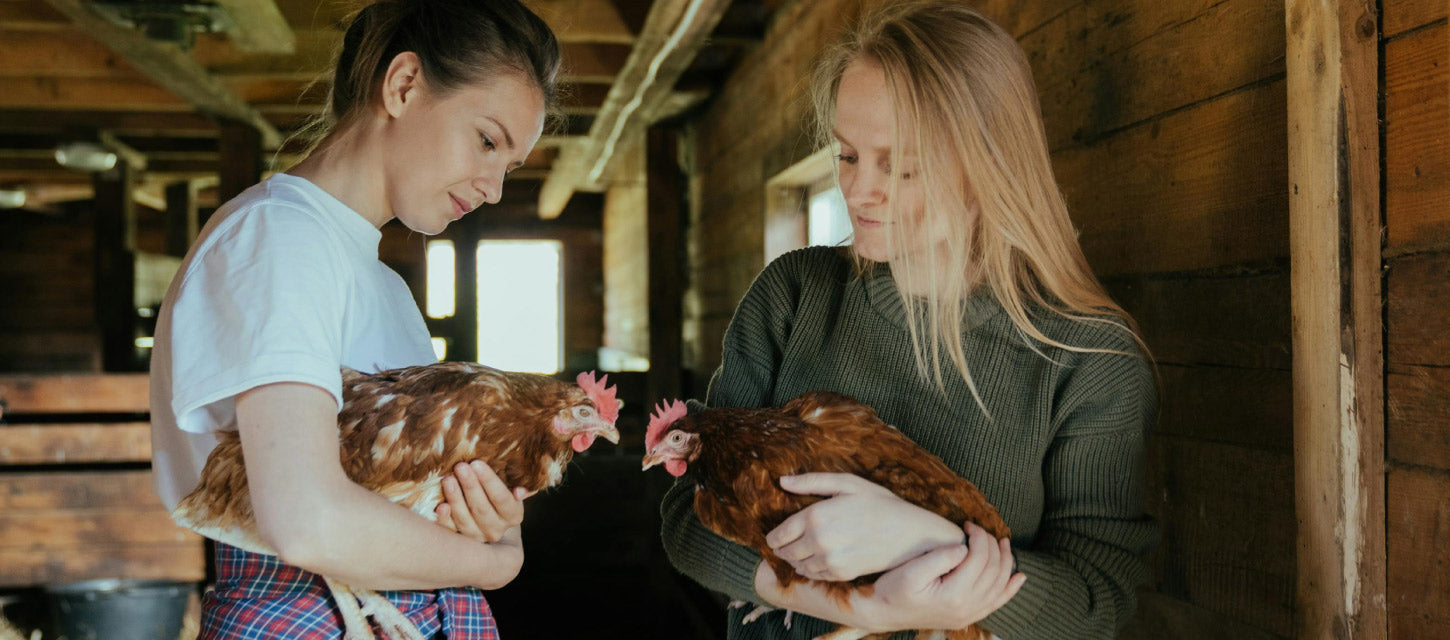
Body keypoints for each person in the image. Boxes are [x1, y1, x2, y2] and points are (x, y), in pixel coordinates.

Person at [659, 2, 1159, 639]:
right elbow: (686, 518)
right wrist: (858, 608)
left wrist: (922, 538)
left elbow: (1098, 604)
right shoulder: (794, 296)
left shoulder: (1087, 360)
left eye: (901, 165)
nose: (860, 189)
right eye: (846, 155)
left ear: (989, 166)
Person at [148, 0, 560, 636]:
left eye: (508, 165)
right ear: (403, 85)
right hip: (307, 616)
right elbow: (309, 521)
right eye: (486, 140)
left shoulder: (382, 284)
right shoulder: (278, 237)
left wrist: (486, 517)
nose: (494, 186)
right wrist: (496, 562)